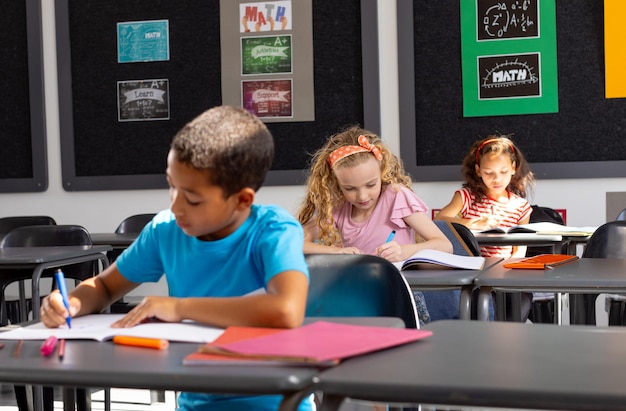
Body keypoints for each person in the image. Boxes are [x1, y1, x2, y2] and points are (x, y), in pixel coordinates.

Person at [40, 105, 313, 411]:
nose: (177, 205)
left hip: (276, 403)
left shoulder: (273, 230)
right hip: (195, 402)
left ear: (242, 199)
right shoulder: (165, 230)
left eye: (193, 199)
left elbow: (286, 310)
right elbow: (105, 287)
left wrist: (180, 308)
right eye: (171, 185)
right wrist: (72, 302)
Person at [296, 125, 453, 325]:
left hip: (399, 294)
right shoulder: (338, 206)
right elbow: (293, 241)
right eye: (350, 188)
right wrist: (334, 253)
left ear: (382, 172)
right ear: (337, 184)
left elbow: (444, 244)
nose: (362, 196)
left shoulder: (397, 196)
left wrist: (404, 251)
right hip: (357, 295)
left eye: (371, 185)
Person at [435, 134, 535, 321]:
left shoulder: (521, 207)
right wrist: (470, 223)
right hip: (472, 271)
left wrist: (504, 272)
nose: (496, 179)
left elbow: (519, 251)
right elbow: (440, 219)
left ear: (513, 168)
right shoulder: (466, 196)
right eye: (489, 173)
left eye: (503, 172)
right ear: (478, 170)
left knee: (517, 301)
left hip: (504, 273)